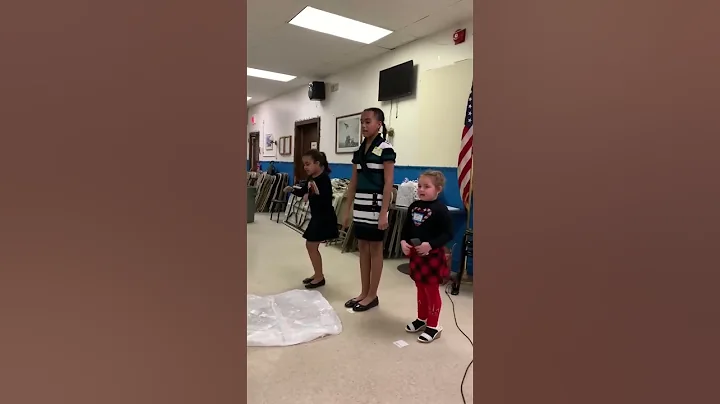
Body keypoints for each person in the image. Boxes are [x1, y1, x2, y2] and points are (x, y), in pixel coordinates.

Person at [342, 107, 396, 312]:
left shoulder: (385, 148)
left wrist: (384, 212)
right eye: (362, 122)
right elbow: (353, 182)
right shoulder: (358, 151)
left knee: (375, 250)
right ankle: (364, 292)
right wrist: (347, 210)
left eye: (368, 122)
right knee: (362, 249)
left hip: (376, 205)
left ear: (379, 124)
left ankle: (373, 295)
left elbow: (389, 181)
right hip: (361, 206)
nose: (364, 126)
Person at [400, 170, 453, 343]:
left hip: (432, 256)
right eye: (420, 186)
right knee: (420, 288)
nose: (421, 189)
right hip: (417, 256)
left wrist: (430, 245)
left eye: (427, 187)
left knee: (431, 290)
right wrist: (403, 242)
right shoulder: (414, 206)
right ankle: (421, 319)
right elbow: (407, 229)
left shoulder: (441, 209)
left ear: (438, 189)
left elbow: (448, 234)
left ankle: (433, 325)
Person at [284, 149, 339, 289]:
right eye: (304, 164)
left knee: (311, 245)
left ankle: (320, 277)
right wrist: (293, 190)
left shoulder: (324, 179)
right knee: (311, 246)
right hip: (317, 216)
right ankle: (317, 274)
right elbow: (303, 190)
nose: (305, 167)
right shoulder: (312, 178)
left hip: (324, 217)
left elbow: (324, 198)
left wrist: (312, 195)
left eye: (308, 164)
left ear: (317, 163)